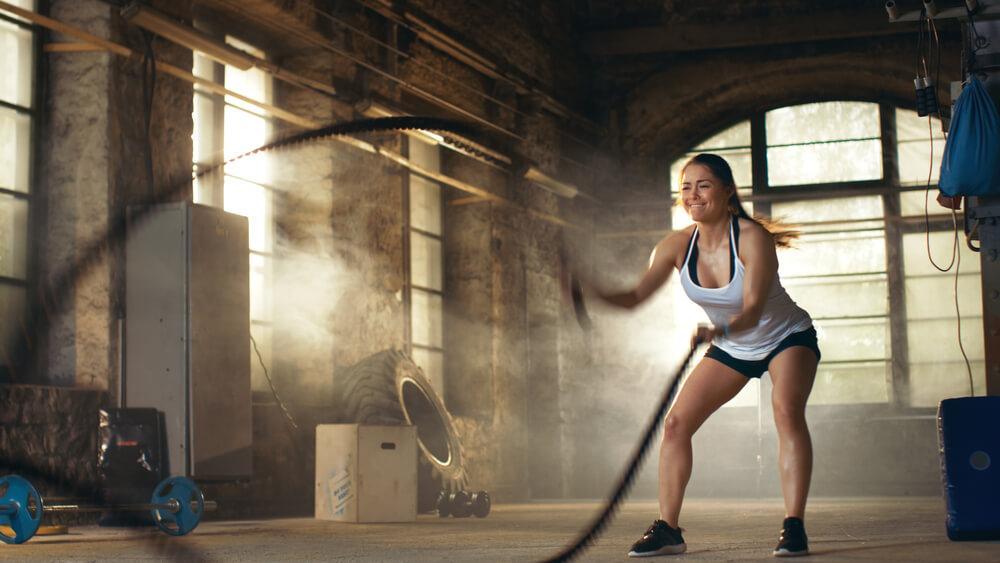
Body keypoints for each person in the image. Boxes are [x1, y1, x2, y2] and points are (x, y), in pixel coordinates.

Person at [594, 153, 821, 558]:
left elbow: (751, 310)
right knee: (676, 424)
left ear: (727, 190)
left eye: (703, 185)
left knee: (786, 411)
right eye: (685, 186)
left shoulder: (752, 238)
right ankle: (669, 530)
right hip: (733, 345)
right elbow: (633, 298)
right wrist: (589, 290)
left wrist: (720, 328)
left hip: (786, 337)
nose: (692, 194)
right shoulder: (675, 245)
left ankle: (794, 526)